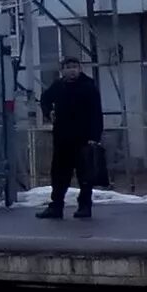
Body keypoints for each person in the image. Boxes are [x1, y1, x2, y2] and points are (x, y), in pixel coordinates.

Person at [37, 54, 103, 221]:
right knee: (59, 174)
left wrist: (95, 136)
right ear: (63, 70)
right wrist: (48, 112)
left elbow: (96, 114)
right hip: (62, 138)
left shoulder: (88, 86)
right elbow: (44, 99)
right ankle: (56, 206)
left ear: (80, 69)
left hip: (83, 139)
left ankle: (85, 206)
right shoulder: (58, 86)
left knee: (85, 174)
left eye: (74, 67)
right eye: (68, 67)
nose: (71, 70)